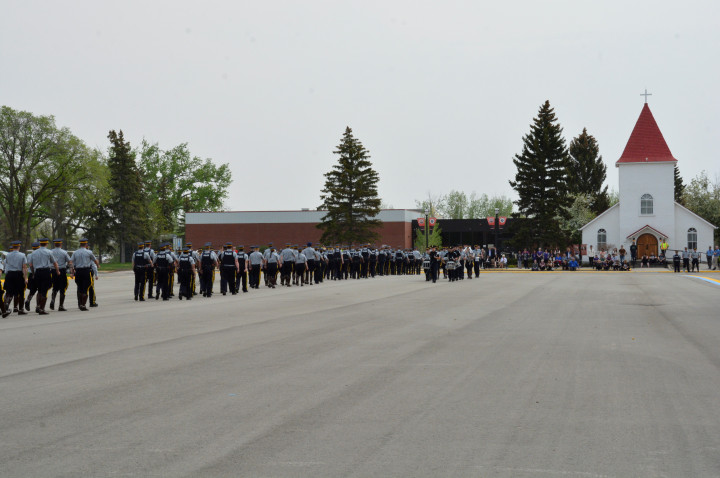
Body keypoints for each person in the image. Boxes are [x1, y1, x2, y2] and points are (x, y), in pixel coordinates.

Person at [26, 238, 60, 315]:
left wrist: (34, 273)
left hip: (37, 272)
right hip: (46, 272)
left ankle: (38, 307)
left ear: (40, 244)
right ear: (46, 244)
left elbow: (30, 265)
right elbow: (55, 263)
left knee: (39, 290)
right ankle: (41, 308)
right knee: (44, 291)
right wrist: (57, 271)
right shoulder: (49, 252)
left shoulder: (34, 253)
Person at [72, 238, 98, 311]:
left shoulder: (75, 253)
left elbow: (71, 262)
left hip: (78, 271)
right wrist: (97, 267)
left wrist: (72, 271)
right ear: (86, 244)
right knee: (86, 289)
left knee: (79, 288)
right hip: (86, 271)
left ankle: (79, 303)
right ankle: (83, 305)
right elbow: (95, 262)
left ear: (80, 244)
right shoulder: (89, 252)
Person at [2, 241, 27, 317]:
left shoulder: (8, 255)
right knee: (21, 292)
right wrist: (25, 278)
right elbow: (24, 267)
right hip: (18, 274)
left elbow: (5, 264)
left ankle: (6, 304)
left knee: (9, 291)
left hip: (9, 274)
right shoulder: (22, 255)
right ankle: (20, 309)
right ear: (19, 247)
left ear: (13, 247)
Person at [50, 239, 72, 311]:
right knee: (63, 288)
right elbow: (69, 262)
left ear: (54, 244)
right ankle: (61, 305)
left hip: (53, 271)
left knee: (55, 287)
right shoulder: (64, 252)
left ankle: (53, 300)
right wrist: (71, 271)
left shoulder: (50, 252)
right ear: (61, 244)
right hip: (62, 271)